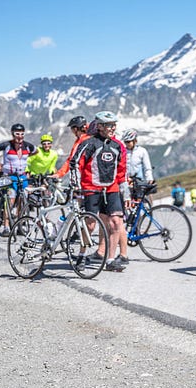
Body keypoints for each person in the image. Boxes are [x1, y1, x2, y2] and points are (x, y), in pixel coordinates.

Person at [70, 111, 130, 272]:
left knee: (116, 222)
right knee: (90, 225)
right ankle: (82, 255)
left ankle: (110, 260)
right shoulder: (90, 143)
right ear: (100, 126)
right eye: (109, 125)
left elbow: (122, 171)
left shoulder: (118, 145)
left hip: (111, 189)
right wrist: (76, 185)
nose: (112, 128)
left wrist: (126, 193)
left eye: (114, 125)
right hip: (91, 188)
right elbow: (75, 163)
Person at [0, 123, 36, 236]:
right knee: (10, 201)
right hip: (10, 177)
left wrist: (24, 163)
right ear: (13, 134)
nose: (20, 136)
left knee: (22, 202)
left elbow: (36, 152)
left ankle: (19, 225)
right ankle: (6, 226)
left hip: (23, 177)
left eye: (22, 134)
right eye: (17, 134)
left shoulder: (28, 146)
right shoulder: (6, 145)